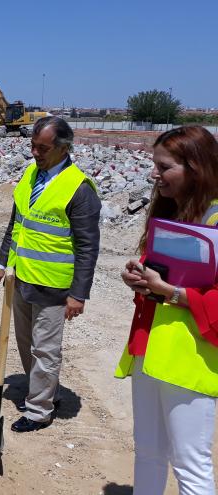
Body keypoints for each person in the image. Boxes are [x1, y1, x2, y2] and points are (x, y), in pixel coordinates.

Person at [118, 126, 218, 494]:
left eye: (164, 167)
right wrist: (141, 278)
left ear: (196, 167)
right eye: (154, 165)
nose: (154, 174)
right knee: (147, 452)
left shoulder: (215, 222)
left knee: (190, 464)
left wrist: (172, 293)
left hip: (190, 359)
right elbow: (164, 277)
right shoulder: (172, 214)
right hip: (150, 351)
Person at [0, 116, 101, 432]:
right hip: (24, 277)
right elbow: (16, 224)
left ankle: (39, 411)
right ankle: (44, 392)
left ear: (64, 147)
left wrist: (78, 294)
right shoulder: (29, 175)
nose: (35, 153)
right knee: (27, 344)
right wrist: (1, 264)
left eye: (42, 148)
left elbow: (87, 247)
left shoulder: (78, 190)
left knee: (45, 349)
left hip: (54, 285)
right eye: (33, 146)